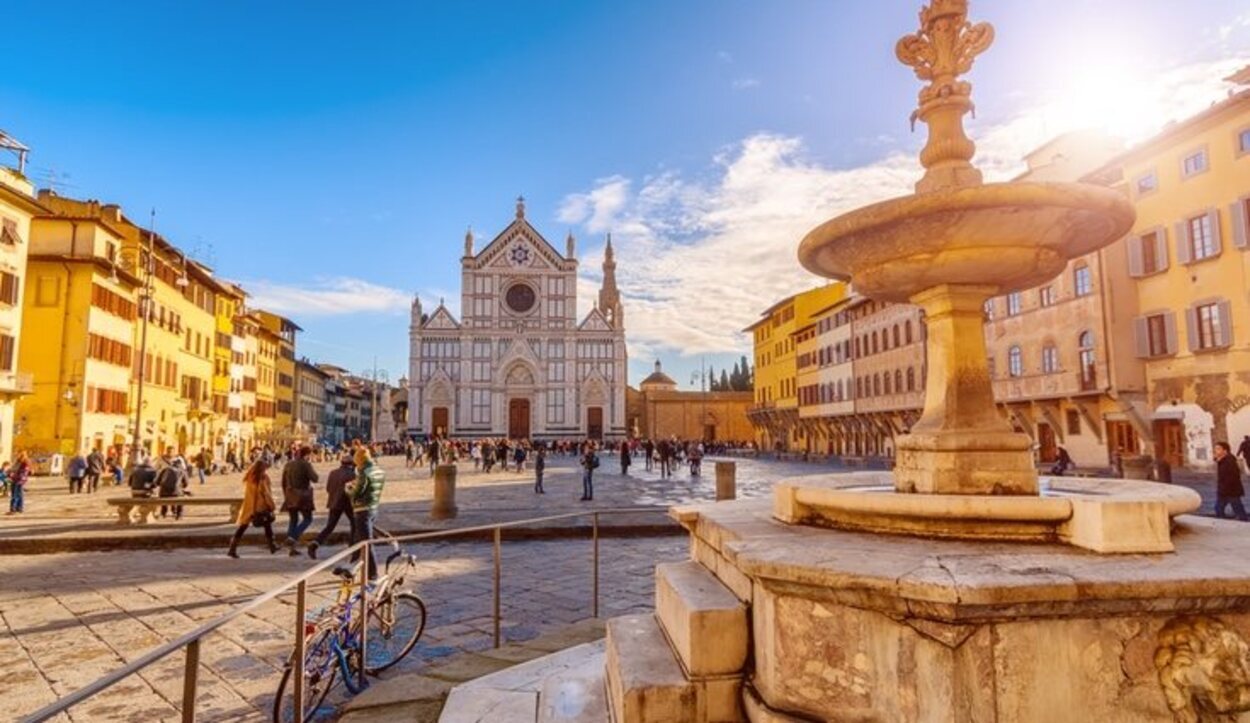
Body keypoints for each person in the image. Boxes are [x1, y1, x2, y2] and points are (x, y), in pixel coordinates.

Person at [307, 455, 356, 559]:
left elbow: (329, 488)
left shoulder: (333, 473)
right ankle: (353, 547)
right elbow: (353, 491)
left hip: (334, 502)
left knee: (330, 526)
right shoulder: (352, 474)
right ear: (351, 464)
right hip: (347, 503)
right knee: (354, 524)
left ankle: (315, 543)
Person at [228, 459, 279, 557]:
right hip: (260, 506)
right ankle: (272, 545)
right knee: (267, 524)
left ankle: (232, 548)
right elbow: (266, 494)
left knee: (243, 527)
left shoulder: (250, 476)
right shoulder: (263, 478)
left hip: (249, 505)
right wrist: (271, 505)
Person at [349, 447, 386, 579]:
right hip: (373, 507)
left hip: (363, 509)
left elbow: (358, 491)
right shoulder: (379, 471)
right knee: (358, 540)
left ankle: (373, 573)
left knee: (366, 543)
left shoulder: (364, 472)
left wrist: (349, 490)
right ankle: (353, 567)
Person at [281, 446, 319, 555]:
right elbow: (315, 479)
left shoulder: (288, 464)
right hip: (303, 496)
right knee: (308, 518)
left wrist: (286, 494)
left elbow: (283, 482)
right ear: (307, 454)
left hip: (290, 494)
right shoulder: (306, 464)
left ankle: (291, 549)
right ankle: (293, 537)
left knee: (293, 520)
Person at [1215, 441, 1248, 521]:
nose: (1216, 450)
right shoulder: (1223, 460)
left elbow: (1233, 476)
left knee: (1237, 508)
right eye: (1215, 448)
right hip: (1225, 490)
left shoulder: (1229, 461)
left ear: (1225, 451)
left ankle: (1243, 522)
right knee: (1219, 508)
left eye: (1218, 449)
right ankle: (1223, 522)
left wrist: (1225, 489)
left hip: (1231, 490)